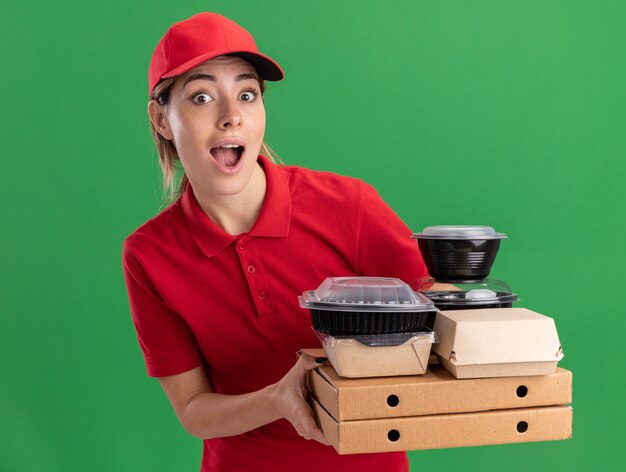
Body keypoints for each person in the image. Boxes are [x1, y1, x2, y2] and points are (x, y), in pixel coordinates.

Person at [122, 12, 429, 472]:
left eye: (247, 94)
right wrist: (278, 399)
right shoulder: (149, 255)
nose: (231, 117)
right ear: (162, 120)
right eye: (202, 97)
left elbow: (443, 314)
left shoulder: (351, 207)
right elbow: (192, 410)